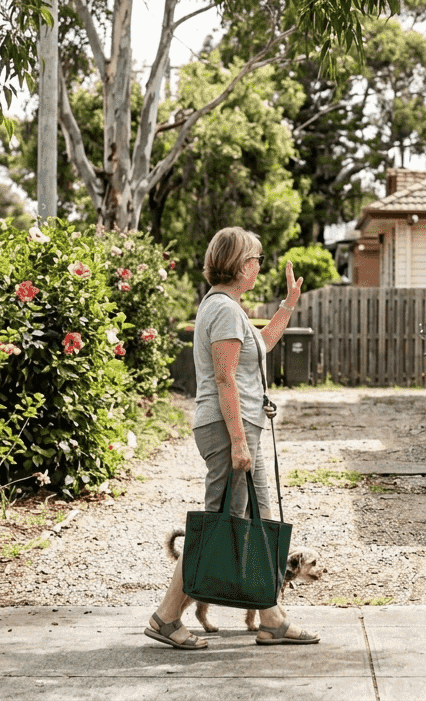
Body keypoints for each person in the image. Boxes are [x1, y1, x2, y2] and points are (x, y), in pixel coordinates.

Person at [146, 226, 319, 649]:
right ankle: (166, 617)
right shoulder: (223, 309)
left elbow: (258, 347)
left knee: (260, 520)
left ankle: (271, 618)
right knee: (219, 525)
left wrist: (287, 307)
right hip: (228, 429)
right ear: (243, 265)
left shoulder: (229, 308)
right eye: (257, 258)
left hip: (241, 426)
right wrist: (239, 440)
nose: (260, 265)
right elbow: (225, 378)